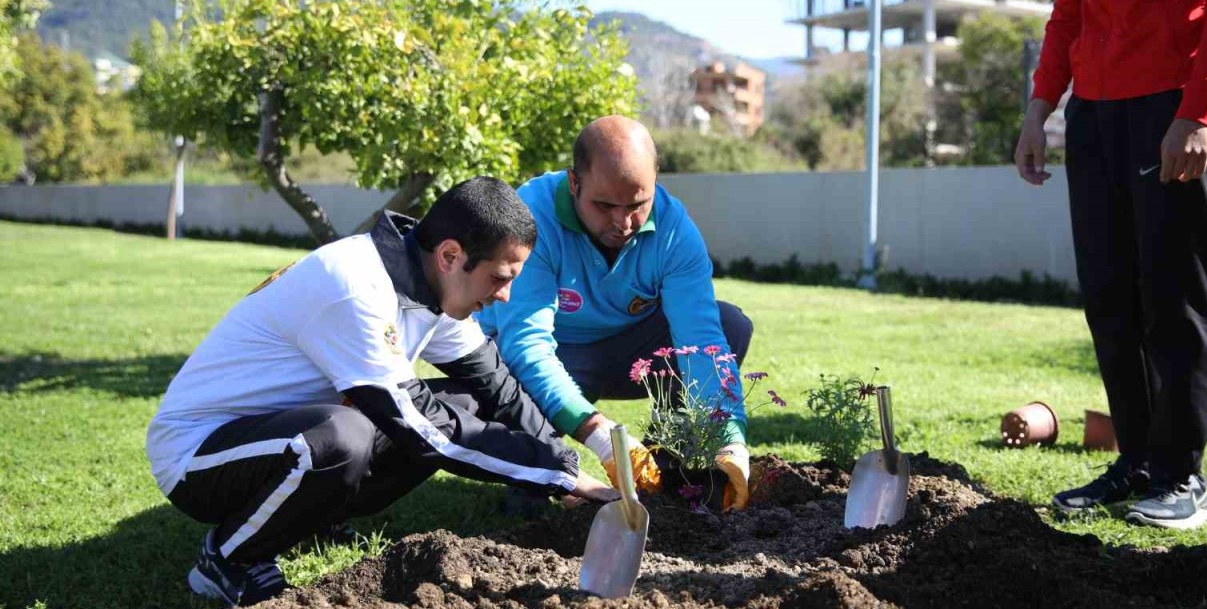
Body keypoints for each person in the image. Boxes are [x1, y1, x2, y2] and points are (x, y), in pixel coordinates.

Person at [146, 177, 617, 606]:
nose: (504, 296)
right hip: (198, 454)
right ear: (451, 256)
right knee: (342, 438)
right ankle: (228, 559)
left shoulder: (430, 283)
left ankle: (310, 517)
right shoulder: (354, 286)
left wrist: (560, 459)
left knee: (465, 401)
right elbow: (419, 425)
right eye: (500, 277)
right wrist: (556, 476)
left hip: (284, 438)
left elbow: (495, 385)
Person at [1014, 0, 1207, 529]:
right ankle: (1139, 463)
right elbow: (1068, 11)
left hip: (1172, 104)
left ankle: (1183, 478)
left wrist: (1196, 112)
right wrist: (1039, 106)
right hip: (1095, 115)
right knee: (1109, 297)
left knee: (1173, 295)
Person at [477, 115, 755, 510]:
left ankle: (673, 466)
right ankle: (536, 473)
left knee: (730, 324)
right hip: (543, 356)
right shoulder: (531, 217)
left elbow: (702, 341)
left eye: (637, 205)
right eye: (604, 205)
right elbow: (526, 346)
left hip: (626, 349)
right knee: (530, 505)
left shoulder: (675, 230)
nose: (622, 223)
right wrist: (596, 432)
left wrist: (730, 439)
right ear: (574, 183)